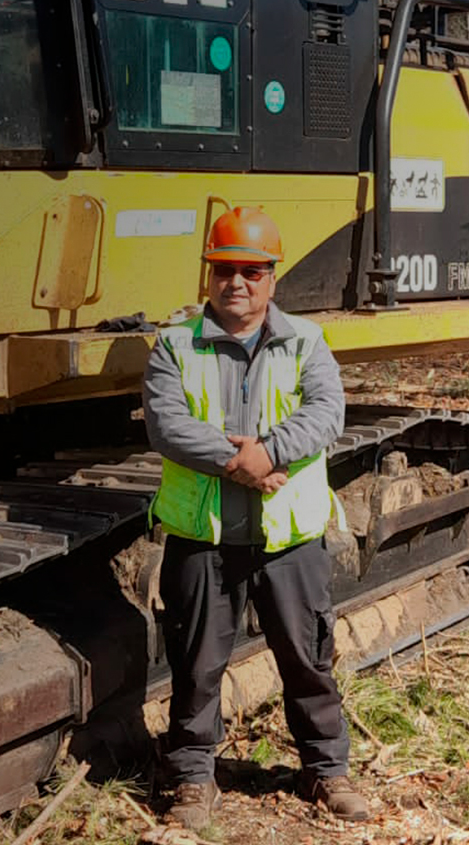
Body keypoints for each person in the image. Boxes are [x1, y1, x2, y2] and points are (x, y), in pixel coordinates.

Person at [142, 206, 370, 829]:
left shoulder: (306, 341)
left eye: (250, 271)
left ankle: (326, 770)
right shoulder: (175, 345)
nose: (236, 283)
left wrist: (269, 453)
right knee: (195, 667)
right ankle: (192, 780)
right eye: (224, 270)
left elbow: (326, 412)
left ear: (272, 277)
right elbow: (167, 425)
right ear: (208, 276)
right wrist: (239, 461)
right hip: (203, 538)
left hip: (287, 541)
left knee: (307, 659)